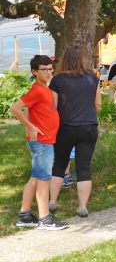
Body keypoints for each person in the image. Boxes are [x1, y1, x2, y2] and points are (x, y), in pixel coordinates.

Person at [10, 55, 68, 230]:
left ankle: (25, 215)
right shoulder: (37, 90)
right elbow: (15, 108)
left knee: (36, 178)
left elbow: (31, 111)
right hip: (42, 142)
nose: (49, 72)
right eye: (45, 69)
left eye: (51, 69)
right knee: (43, 179)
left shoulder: (44, 89)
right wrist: (30, 127)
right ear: (34, 72)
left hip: (45, 141)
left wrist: (30, 125)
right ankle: (45, 219)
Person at [49, 46, 101, 218]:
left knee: (59, 164)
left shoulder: (57, 80)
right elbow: (98, 105)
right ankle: (82, 207)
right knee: (83, 167)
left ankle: (52, 202)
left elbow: (52, 108)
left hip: (65, 128)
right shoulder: (93, 79)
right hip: (88, 127)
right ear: (82, 60)